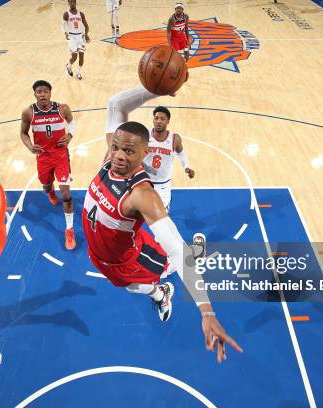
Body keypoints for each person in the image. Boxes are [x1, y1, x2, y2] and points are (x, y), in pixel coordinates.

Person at [82, 120, 242, 363]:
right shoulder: (108, 162)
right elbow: (116, 106)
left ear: (144, 154)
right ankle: (161, 293)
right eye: (116, 147)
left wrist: (206, 312)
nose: (119, 156)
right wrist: (147, 91)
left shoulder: (142, 195)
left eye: (128, 151)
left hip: (132, 257)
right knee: (129, 286)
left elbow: (178, 253)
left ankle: (192, 257)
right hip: (101, 256)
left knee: (169, 266)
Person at [20, 80, 77, 250]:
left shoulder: (62, 108)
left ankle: (69, 229)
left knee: (66, 193)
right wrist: (30, 146)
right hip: (43, 157)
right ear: (35, 94)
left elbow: (72, 122)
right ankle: (50, 191)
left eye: (45, 91)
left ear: (50, 93)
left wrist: (70, 135)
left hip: (60, 155)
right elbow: (23, 133)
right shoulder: (29, 112)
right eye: (39, 92)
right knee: (46, 186)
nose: (43, 94)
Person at [142, 106, 195, 211]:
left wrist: (186, 167)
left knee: (162, 216)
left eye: (162, 119)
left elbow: (181, 153)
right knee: (138, 214)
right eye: (156, 118)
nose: (158, 121)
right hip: (144, 180)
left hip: (163, 185)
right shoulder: (144, 135)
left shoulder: (175, 139)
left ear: (168, 121)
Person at [62, 0, 90, 81]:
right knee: (74, 56)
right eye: (70, 2)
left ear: (76, 2)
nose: (72, 3)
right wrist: (65, 33)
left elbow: (86, 26)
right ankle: (69, 65)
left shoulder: (81, 14)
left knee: (81, 55)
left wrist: (86, 34)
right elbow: (62, 26)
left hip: (80, 37)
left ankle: (79, 72)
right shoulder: (66, 14)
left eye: (73, 1)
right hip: (72, 37)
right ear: (68, 3)